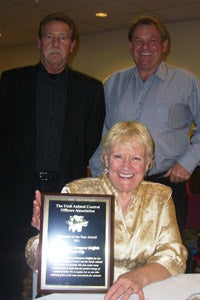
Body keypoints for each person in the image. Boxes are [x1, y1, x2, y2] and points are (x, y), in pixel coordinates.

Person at [0, 12, 105, 300]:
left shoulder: (91, 89)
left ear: (72, 45)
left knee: (60, 271)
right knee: (8, 268)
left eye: (63, 37)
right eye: (49, 36)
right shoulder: (11, 82)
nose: (55, 43)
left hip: (65, 192)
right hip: (15, 192)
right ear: (38, 42)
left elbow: (90, 140)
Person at [26, 121, 187, 300]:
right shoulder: (77, 192)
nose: (126, 166)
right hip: (84, 295)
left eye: (136, 158)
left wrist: (138, 277)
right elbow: (40, 258)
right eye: (118, 156)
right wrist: (48, 236)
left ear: (148, 163)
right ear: (105, 159)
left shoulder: (160, 196)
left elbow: (173, 254)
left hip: (144, 291)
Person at [89, 15, 200, 234]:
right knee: (118, 248)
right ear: (131, 46)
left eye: (152, 41)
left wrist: (188, 162)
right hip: (118, 185)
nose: (145, 47)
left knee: (166, 254)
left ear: (164, 45)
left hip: (165, 184)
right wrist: (96, 176)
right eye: (138, 41)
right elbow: (105, 133)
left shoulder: (185, 82)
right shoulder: (113, 83)